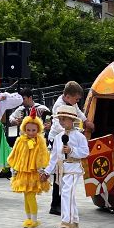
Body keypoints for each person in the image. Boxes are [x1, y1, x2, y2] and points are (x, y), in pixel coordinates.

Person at [46, 104, 89, 228]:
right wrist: (47, 171)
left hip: (73, 168)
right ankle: (74, 221)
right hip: (61, 169)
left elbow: (85, 152)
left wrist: (71, 151)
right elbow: (54, 156)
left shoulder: (79, 136)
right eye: (60, 119)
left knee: (66, 193)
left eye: (64, 119)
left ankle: (66, 223)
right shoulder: (58, 137)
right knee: (69, 194)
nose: (61, 121)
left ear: (72, 120)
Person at [48, 81, 88, 214]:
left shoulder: (72, 103)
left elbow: (79, 114)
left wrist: (86, 121)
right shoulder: (59, 106)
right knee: (58, 172)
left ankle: (65, 201)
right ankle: (56, 204)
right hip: (58, 139)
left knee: (66, 172)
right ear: (67, 96)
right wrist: (75, 131)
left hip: (68, 138)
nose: (77, 101)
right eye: (76, 99)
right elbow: (59, 126)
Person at [7, 111, 50, 228]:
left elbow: (43, 155)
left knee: (31, 196)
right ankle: (29, 219)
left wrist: (42, 169)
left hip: (34, 173)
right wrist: (14, 168)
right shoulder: (20, 140)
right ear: (24, 129)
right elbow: (15, 154)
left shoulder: (40, 141)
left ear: (38, 129)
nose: (31, 133)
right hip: (22, 172)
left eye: (34, 130)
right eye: (28, 130)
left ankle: (34, 220)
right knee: (26, 196)